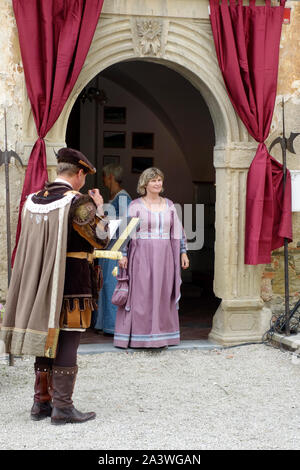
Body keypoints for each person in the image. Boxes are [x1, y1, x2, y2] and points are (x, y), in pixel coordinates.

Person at [0, 148, 110, 425]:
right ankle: (63, 407)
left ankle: (41, 402)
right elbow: (100, 238)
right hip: (72, 281)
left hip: (40, 280)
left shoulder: (33, 200)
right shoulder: (78, 201)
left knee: (47, 336)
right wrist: (99, 208)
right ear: (80, 173)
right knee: (68, 339)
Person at [113, 167, 189, 349]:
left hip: (165, 257)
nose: (157, 183)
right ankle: (140, 336)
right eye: (153, 180)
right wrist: (122, 254)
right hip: (141, 256)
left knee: (163, 293)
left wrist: (183, 252)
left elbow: (177, 231)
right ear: (145, 184)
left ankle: (163, 336)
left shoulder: (170, 205)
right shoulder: (136, 206)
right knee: (142, 294)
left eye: (159, 180)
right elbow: (125, 232)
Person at [92, 163, 131, 335]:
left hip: (115, 249)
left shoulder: (123, 199)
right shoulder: (115, 197)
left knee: (112, 285)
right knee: (105, 285)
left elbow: (123, 227)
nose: (103, 180)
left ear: (110, 177)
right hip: (108, 249)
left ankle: (113, 326)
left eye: (104, 177)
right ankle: (104, 324)